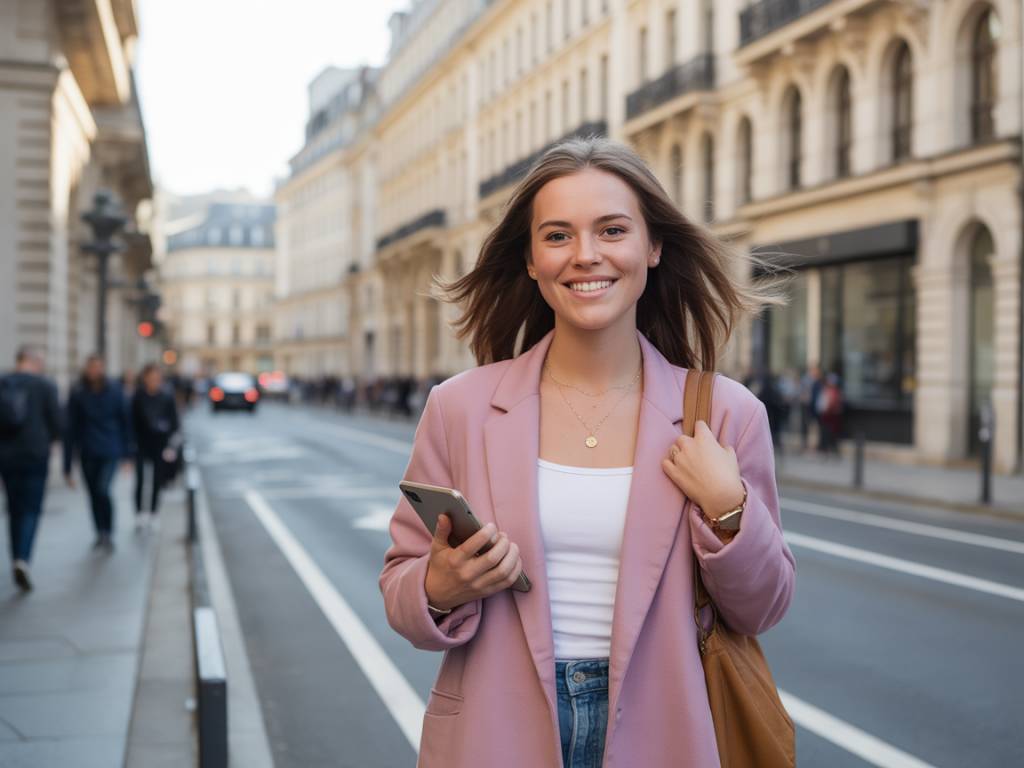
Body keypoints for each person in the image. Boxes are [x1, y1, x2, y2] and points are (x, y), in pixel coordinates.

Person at [379, 138, 796, 767]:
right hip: (498, 734)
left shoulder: (726, 414)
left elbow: (761, 607)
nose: (585, 255)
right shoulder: (459, 408)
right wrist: (440, 585)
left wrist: (728, 508)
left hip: (667, 733)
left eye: (611, 229)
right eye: (557, 235)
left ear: (652, 247)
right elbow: (401, 591)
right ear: (529, 259)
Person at [0, 345, 60, 591]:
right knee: (32, 509)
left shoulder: (3, 382)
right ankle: (23, 558)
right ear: (34, 360)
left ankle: (16, 557)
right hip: (36, 453)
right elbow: (57, 422)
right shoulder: (45, 385)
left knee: (14, 509)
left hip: (6, 455)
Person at [63, 355, 131, 551]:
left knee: (103, 489)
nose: (94, 371)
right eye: (91, 367)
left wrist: (128, 455)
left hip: (110, 449)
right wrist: (67, 466)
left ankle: (108, 530)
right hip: (87, 450)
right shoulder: (78, 392)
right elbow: (70, 429)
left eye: (97, 367)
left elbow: (125, 423)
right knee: (93, 493)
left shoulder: (115, 391)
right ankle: (100, 532)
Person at [130, 364, 180, 530]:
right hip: (140, 444)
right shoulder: (138, 396)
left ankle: (153, 513)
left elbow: (174, 423)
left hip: (160, 444)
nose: (153, 381)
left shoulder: (166, 397)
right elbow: (131, 422)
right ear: (145, 378)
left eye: (156, 378)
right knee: (140, 480)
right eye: (151, 378)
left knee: (157, 480)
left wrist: (170, 445)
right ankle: (139, 513)